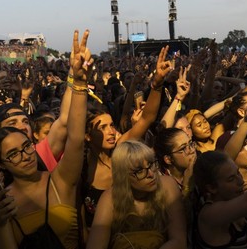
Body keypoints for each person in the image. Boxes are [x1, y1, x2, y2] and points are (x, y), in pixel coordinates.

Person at [0, 29, 91, 249]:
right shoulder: (0, 206)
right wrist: (1, 222)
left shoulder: (59, 181)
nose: (25, 156)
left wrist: (79, 82)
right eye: (13, 154)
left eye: (26, 147)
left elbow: (76, 138)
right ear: (0, 163)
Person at [82, 45, 173, 227]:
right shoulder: (81, 168)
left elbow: (147, 117)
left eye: (111, 125)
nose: (110, 131)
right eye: (102, 128)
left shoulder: (121, 149)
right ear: (87, 136)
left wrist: (157, 83)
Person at [86, 140, 187, 249]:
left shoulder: (167, 185)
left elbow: (179, 241)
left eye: (151, 164)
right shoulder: (110, 199)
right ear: (124, 176)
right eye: (139, 171)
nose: (151, 174)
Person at [154, 128, 197, 197]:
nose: (192, 150)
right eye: (183, 148)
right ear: (168, 159)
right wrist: (186, 186)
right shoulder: (162, 184)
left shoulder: (201, 168)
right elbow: (182, 207)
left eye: (191, 144)